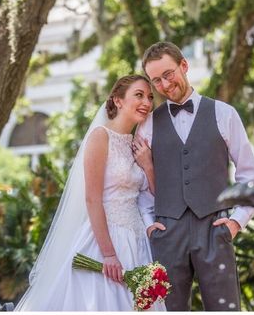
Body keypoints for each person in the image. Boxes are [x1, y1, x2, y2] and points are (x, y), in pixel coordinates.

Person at [15, 75, 165, 311]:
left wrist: (148, 164)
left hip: (136, 242)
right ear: (118, 100)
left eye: (149, 97)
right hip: (104, 239)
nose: (146, 102)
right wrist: (109, 255)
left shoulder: (138, 144)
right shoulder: (100, 137)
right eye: (138, 95)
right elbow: (92, 198)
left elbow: (156, 197)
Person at [137, 41, 254, 311]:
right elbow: (142, 183)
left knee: (224, 308)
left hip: (215, 229)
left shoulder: (224, 113)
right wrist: (148, 224)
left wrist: (237, 222)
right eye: (156, 80)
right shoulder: (147, 124)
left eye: (168, 74)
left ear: (184, 65)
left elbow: (248, 175)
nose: (165, 85)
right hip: (167, 232)